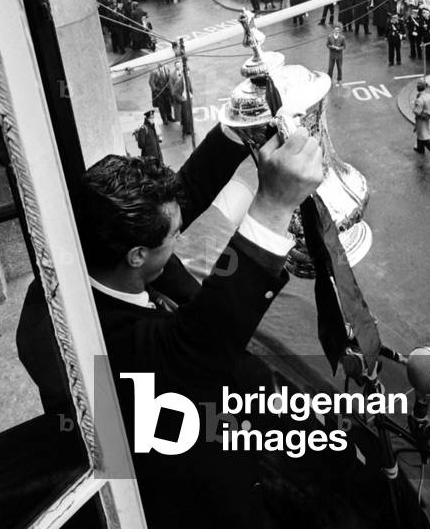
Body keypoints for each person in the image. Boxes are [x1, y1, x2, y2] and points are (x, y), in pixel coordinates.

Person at [17, 124, 324, 529]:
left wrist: (236, 124)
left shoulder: (98, 245)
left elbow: (180, 198)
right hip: (196, 478)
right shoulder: (87, 341)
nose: (181, 237)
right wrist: (274, 205)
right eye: (175, 238)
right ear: (137, 255)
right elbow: (198, 344)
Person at [412, 79, 430, 164]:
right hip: (429, 119)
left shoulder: (419, 99)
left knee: (423, 136)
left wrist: (414, 111)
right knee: (421, 134)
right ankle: (420, 148)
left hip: (422, 121)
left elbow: (417, 112)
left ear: (418, 88)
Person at [169, 61, 193, 140]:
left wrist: (191, 94)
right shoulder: (179, 82)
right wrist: (181, 99)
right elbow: (174, 93)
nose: (188, 75)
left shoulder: (188, 79)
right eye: (187, 73)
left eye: (189, 73)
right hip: (184, 100)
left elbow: (189, 87)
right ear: (184, 74)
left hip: (189, 99)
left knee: (189, 116)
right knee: (185, 117)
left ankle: (189, 130)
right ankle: (184, 133)